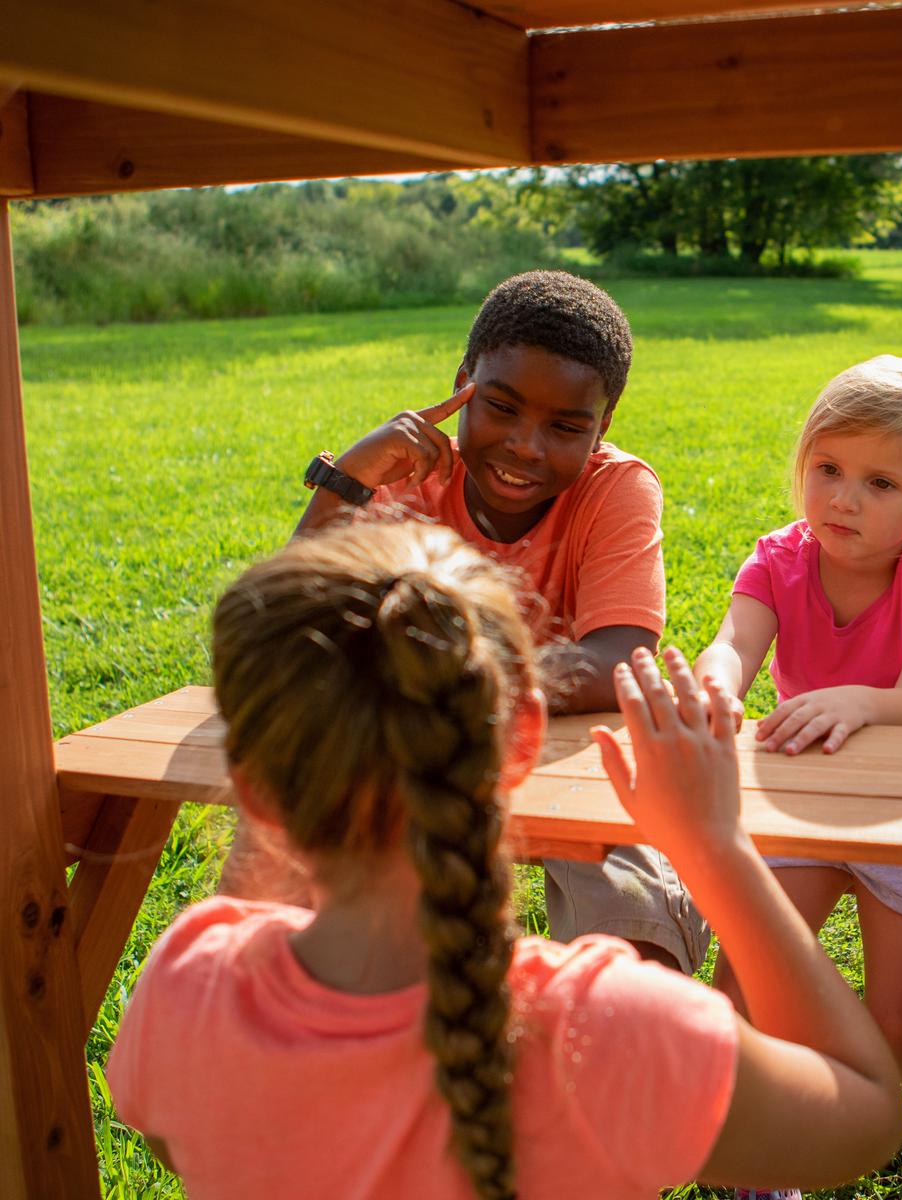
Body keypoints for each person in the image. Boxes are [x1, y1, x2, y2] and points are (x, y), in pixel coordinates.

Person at [105, 521, 902, 1200]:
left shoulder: (187, 984)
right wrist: (713, 847)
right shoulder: (610, 1028)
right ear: (522, 739)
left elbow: (176, 1139)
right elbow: (867, 1118)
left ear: (256, 793)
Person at [274, 270, 708, 974]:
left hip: (568, 755)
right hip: (418, 753)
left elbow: (620, 661)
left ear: (602, 427)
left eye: (566, 427)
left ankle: (621, 1029)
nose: (527, 446)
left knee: (635, 927)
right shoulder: (404, 473)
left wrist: (445, 680)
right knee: (303, 909)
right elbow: (287, 633)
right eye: (501, 408)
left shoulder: (616, 488)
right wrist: (346, 480)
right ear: (462, 384)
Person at [693, 355, 902, 1178]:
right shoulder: (778, 559)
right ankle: (760, 1164)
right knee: (747, 990)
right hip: (805, 799)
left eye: (880, 483)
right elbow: (734, 642)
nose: (843, 499)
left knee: (898, 1022)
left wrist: (861, 701)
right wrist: (716, 684)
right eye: (827, 468)